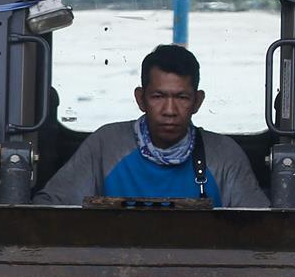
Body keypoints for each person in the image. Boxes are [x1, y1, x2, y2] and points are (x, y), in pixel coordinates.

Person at [33, 43, 269, 208]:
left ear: (197, 101)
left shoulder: (224, 155)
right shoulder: (107, 144)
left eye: (181, 98)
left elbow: (260, 227)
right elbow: (50, 210)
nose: (169, 110)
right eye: (158, 96)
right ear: (140, 99)